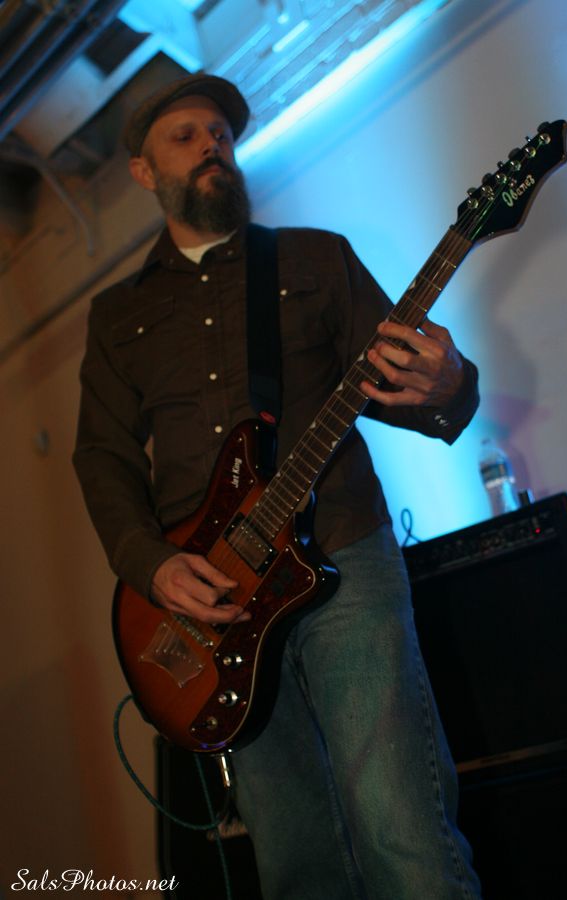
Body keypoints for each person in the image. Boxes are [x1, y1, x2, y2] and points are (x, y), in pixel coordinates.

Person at [73, 73, 483, 900]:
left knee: (402, 830)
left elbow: (406, 388)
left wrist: (450, 385)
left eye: (220, 133)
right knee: (294, 861)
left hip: (342, 555)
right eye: (185, 136)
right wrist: (150, 564)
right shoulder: (118, 316)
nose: (211, 145)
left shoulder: (314, 257)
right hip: (210, 602)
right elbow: (102, 456)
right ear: (144, 172)